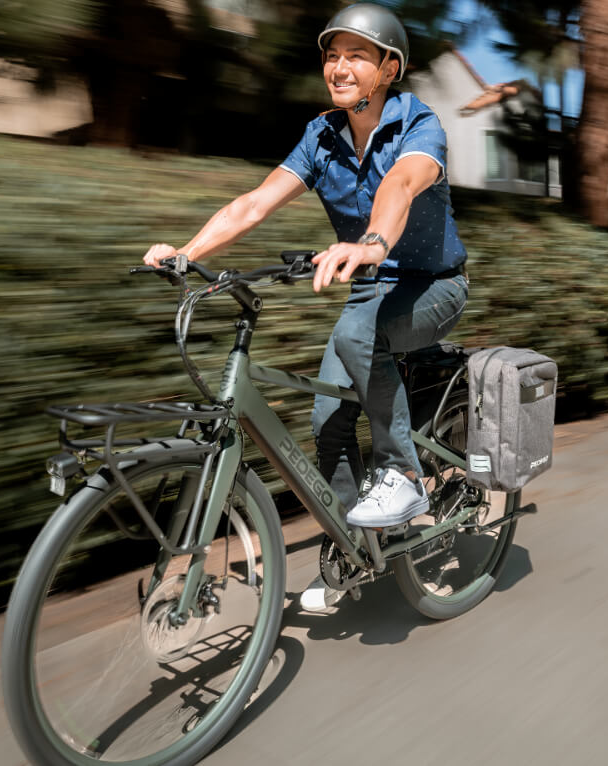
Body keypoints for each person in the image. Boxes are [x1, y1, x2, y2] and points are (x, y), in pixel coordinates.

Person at [142, 2, 469, 612]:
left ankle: (402, 477)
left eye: (357, 56)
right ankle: (356, 550)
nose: (339, 67)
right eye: (332, 54)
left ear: (389, 68)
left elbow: (400, 186)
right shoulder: (321, 136)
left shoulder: (420, 125)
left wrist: (371, 241)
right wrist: (186, 253)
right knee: (326, 424)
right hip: (370, 290)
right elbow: (255, 203)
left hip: (433, 287)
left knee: (355, 337)